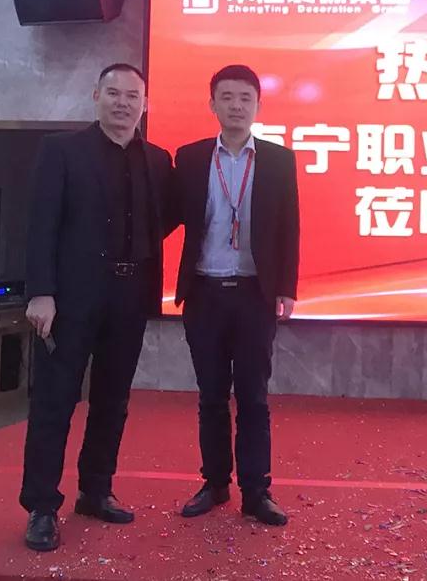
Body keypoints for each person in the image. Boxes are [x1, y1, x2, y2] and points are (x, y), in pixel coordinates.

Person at [21, 64, 175, 551]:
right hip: (70, 296)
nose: (123, 102)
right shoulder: (62, 151)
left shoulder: (158, 159)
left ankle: (95, 490)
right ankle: (42, 507)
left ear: (145, 104)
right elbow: (41, 224)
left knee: (113, 399)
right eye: (114, 93)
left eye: (132, 95)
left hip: (130, 294)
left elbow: (165, 218)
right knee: (55, 401)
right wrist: (41, 291)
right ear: (96, 96)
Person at [172, 64, 299, 526]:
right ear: (212, 105)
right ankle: (214, 483)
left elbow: (289, 227)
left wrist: (287, 288)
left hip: (254, 295)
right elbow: (171, 214)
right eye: (227, 97)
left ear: (258, 106)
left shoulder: (279, 160)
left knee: (253, 397)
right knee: (210, 395)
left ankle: (256, 491)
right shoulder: (190, 158)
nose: (236, 106)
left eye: (245, 98)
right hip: (205, 292)